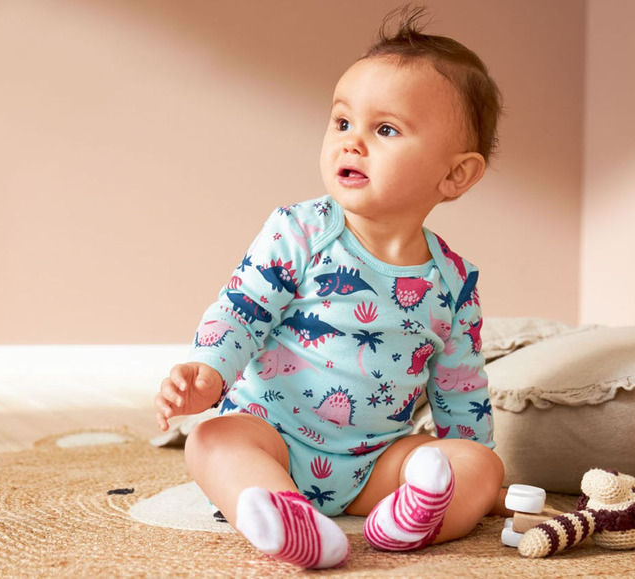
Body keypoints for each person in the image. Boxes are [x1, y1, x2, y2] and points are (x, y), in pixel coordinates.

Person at [155, 5, 506, 569]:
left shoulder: (453, 282)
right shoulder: (299, 231)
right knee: (213, 440)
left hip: (377, 463)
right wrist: (209, 370)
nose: (352, 143)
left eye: (385, 129)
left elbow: (460, 387)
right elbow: (242, 309)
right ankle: (282, 514)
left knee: (480, 464)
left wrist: (475, 473)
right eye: (342, 122)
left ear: (454, 174)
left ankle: (409, 518)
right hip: (272, 438)